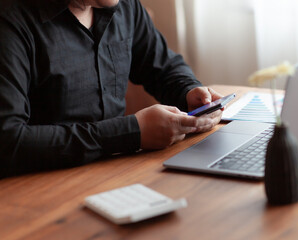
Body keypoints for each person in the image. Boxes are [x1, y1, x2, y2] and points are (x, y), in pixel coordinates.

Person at [0, 0, 223, 178]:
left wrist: (189, 91)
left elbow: (162, 67)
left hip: (115, 173)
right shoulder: (10, 23)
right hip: (37, 187)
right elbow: (8, 142)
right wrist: (131, 133)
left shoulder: (125, 6)